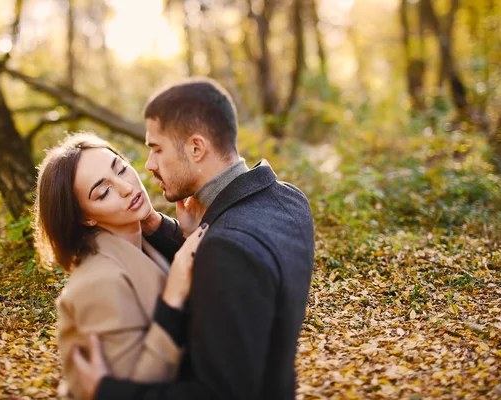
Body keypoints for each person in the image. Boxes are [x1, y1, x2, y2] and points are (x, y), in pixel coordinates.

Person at [71, 78, 315, 400]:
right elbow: (230, 287)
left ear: (196, 148)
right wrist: (166, 228)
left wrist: (108, 391)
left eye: (156, 149)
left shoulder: (228, 248)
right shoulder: (288, 200)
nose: (149, 165)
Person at [33, 133, 207, 399]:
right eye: (104, 192)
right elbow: (132, 389)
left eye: (121, 169)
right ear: (86, 218)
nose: (126, 187)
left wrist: (178, 231)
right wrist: (172, 299)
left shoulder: (141, 242)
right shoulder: (99, 282)